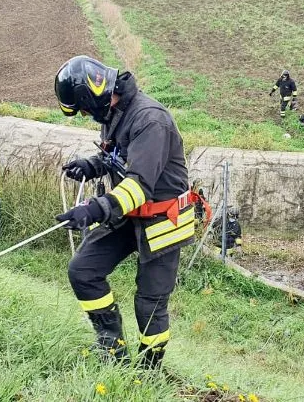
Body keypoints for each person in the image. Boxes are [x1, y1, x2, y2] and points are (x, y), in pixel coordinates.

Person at [54, 55, 203, 369]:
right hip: (128, 213)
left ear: (90, 97)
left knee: (149, 305)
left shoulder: (151, 120)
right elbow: (117, 156)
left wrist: (95, 209)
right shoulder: (114, 111)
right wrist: (92, 165)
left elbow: (139, 185)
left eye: (81, 108)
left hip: (163, 220)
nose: (83, 114)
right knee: (83, 271)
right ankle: (113, 350)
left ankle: (148, 373)